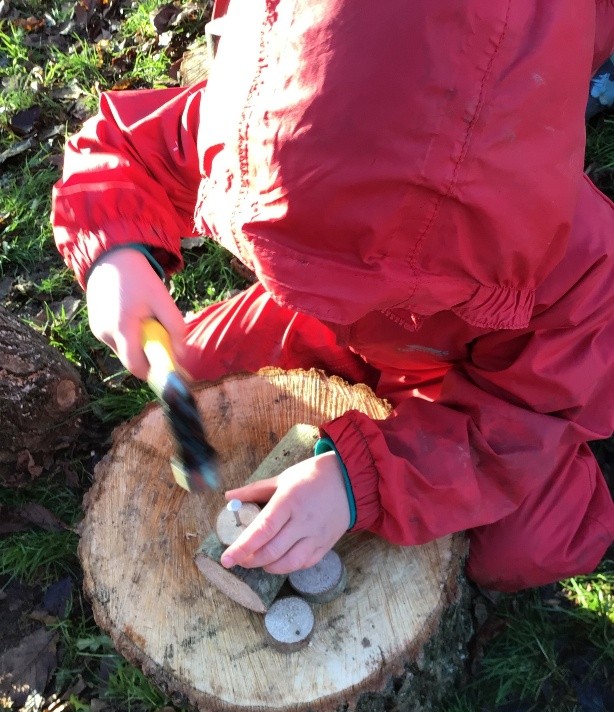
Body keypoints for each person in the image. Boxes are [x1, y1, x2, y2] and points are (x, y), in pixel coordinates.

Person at [51, 0, 614, 591]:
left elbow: (523, 421)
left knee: (526, 550)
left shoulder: (566, 262)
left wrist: (358, 482)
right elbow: (122, 150)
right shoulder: (257, 123)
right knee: (200, 371)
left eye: (363, 285)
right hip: (337, 334)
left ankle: (564, 491)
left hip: (479, 388)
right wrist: (115, 257)